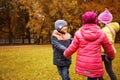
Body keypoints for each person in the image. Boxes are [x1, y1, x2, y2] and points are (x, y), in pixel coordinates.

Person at [63, 12, 115, 80]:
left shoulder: (79, 33)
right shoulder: (101, 33)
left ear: (84, 21)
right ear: (95, 20)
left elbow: (72, 47)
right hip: (94, 64)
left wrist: (66, 54)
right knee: (92, 76)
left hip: (84, 64)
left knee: (90, 76)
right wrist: (111, 56)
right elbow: (109, 48)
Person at [98, 8, 120, 80]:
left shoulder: (106, 30)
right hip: (108, 53)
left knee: (98, 70)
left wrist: (107, 53)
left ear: (103, 21)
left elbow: (108, 42)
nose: (98, 22)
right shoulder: (109, 29)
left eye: (99, 20)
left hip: (103, 53)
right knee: (109, 70)